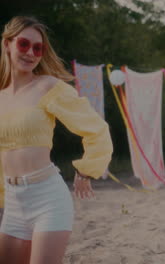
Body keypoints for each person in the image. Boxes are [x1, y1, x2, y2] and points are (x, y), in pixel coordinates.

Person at [0, 16, 113, 264]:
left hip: (47, 199)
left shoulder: (48, 87)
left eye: (38, 48)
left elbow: (96, 129)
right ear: (8, 43)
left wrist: (86, 170)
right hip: (13, 202)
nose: (31, 52)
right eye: (23, 44)